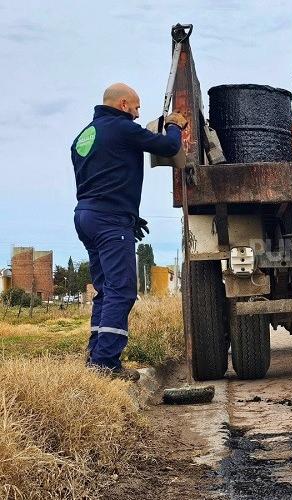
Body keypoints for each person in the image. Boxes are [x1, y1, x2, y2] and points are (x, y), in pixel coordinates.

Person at [72, 83, 186, 381]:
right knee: (122, 291)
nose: (137, 115)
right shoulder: (122, 128)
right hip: (109, 220)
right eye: (135, 108)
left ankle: (95, 355)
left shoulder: (85, 135)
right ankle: (106, 363)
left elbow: (105, 176)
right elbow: (169, 147)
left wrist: (130, 217)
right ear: (123, 104)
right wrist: (173, 125)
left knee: (105, 290)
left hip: (87, 215)